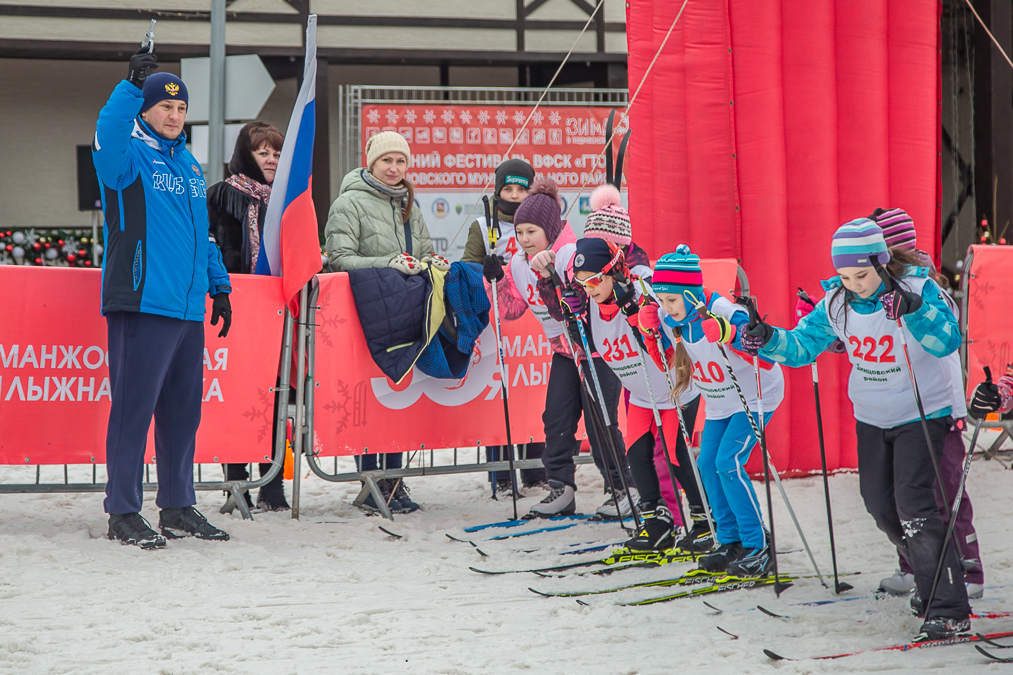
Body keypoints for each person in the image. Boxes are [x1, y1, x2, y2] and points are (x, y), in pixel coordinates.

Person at [741, 218, 971, 640]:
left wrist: (916, 312)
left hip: (921, 415)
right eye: (845, 276)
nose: (854, 284)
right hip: (871, 417)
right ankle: (930, 575)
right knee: (880, 506)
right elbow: (800, 347)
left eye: (861, 275)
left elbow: (948, 340)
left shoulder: (919, 291)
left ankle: (948, 607)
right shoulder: (837, 302)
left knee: (915, 507)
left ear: (882, 263)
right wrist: (767, 337)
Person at [93, 49, 232, 548]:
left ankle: (176, 504)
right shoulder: (127, 158)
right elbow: (105, 135)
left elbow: (204, 235)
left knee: (181, 413)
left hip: (186, 307)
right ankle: (123, 511)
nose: (174, 116)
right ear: (145, 111)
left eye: (180, 109)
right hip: (141, 301)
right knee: (133, 409)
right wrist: (129, 87)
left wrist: (219, 286)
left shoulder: (191, 165)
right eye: (163, 108)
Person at [483, 178, 634, 520]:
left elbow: (579, 304)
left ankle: (624, 488)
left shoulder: (570, 255)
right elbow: (509, 309)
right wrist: (496, 278)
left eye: (531, 232)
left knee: (600, 422)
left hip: (596, 349)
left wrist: (551, 277)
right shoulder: (521, 262)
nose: (524, 239)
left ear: (550, 230)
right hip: (565, 352)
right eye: (520, 231)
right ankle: (561, 488)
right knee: (556, 418)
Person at [866, 208, 984, 599]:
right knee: (908, 493)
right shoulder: (880, 288)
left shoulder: (926, 286)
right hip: (901, 405)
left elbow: (944, 340)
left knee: (944, 489)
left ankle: (966, 567)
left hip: (937, 406)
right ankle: (915, 565)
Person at [649, 245, 785, 576]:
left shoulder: (724, 310)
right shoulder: (672, 318)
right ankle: (730, 540)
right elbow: (666, 362)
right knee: (706, 463)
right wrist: (651, 333)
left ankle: (758, 544)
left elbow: (766, 358)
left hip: (754, 397)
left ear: (690, 293)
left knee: (729, 462)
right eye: (661, 300)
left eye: (671, 300)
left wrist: (731, 334)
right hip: (720, 401)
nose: (666, 308)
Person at [563, 237, 701, 551]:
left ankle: (705, 522)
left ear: (614, 271)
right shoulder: (593, 306)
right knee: (636, 457)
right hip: (641, 395)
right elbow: (596, 348)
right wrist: (574, 322)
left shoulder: (643, 293)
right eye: (583, 284)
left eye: (596, 280)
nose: (590, 289)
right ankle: (657, 524)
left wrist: (639, 316)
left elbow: (673, 344)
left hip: (675, 391)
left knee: (677, 458)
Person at [324, 130, 436, 514]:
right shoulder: (348, 203)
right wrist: (387, 265)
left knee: (397, 397)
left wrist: (429, 264)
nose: (394, 168)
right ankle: (371, 482)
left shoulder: (409, 205)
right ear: (371, 163)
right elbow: (338, 257)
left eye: (400, 161)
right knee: (369, 399)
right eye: (386, 160)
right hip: (363, 314)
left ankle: (393, 482)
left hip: (404, 313)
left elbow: (423, 251)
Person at [207, 122, 290, 512]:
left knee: (274, 398)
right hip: (233, 312)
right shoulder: (220, 197)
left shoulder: (287, 200)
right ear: (246, 154)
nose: (271, 159)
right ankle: (235, 483)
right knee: (236, 397)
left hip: (277, 313)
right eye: (263, 152)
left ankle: (272, 485)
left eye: (276, 152)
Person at [461, 159, 545, 495]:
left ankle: (536, 470)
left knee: (534, 395)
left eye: (521, 189)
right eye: (507, 189)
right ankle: (502, 473)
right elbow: (467, 269)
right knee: (502, 395)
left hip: (535, 324)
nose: (514, 196)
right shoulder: (484, 225)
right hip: (499, 323)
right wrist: (486, 270)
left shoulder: (542, 220)